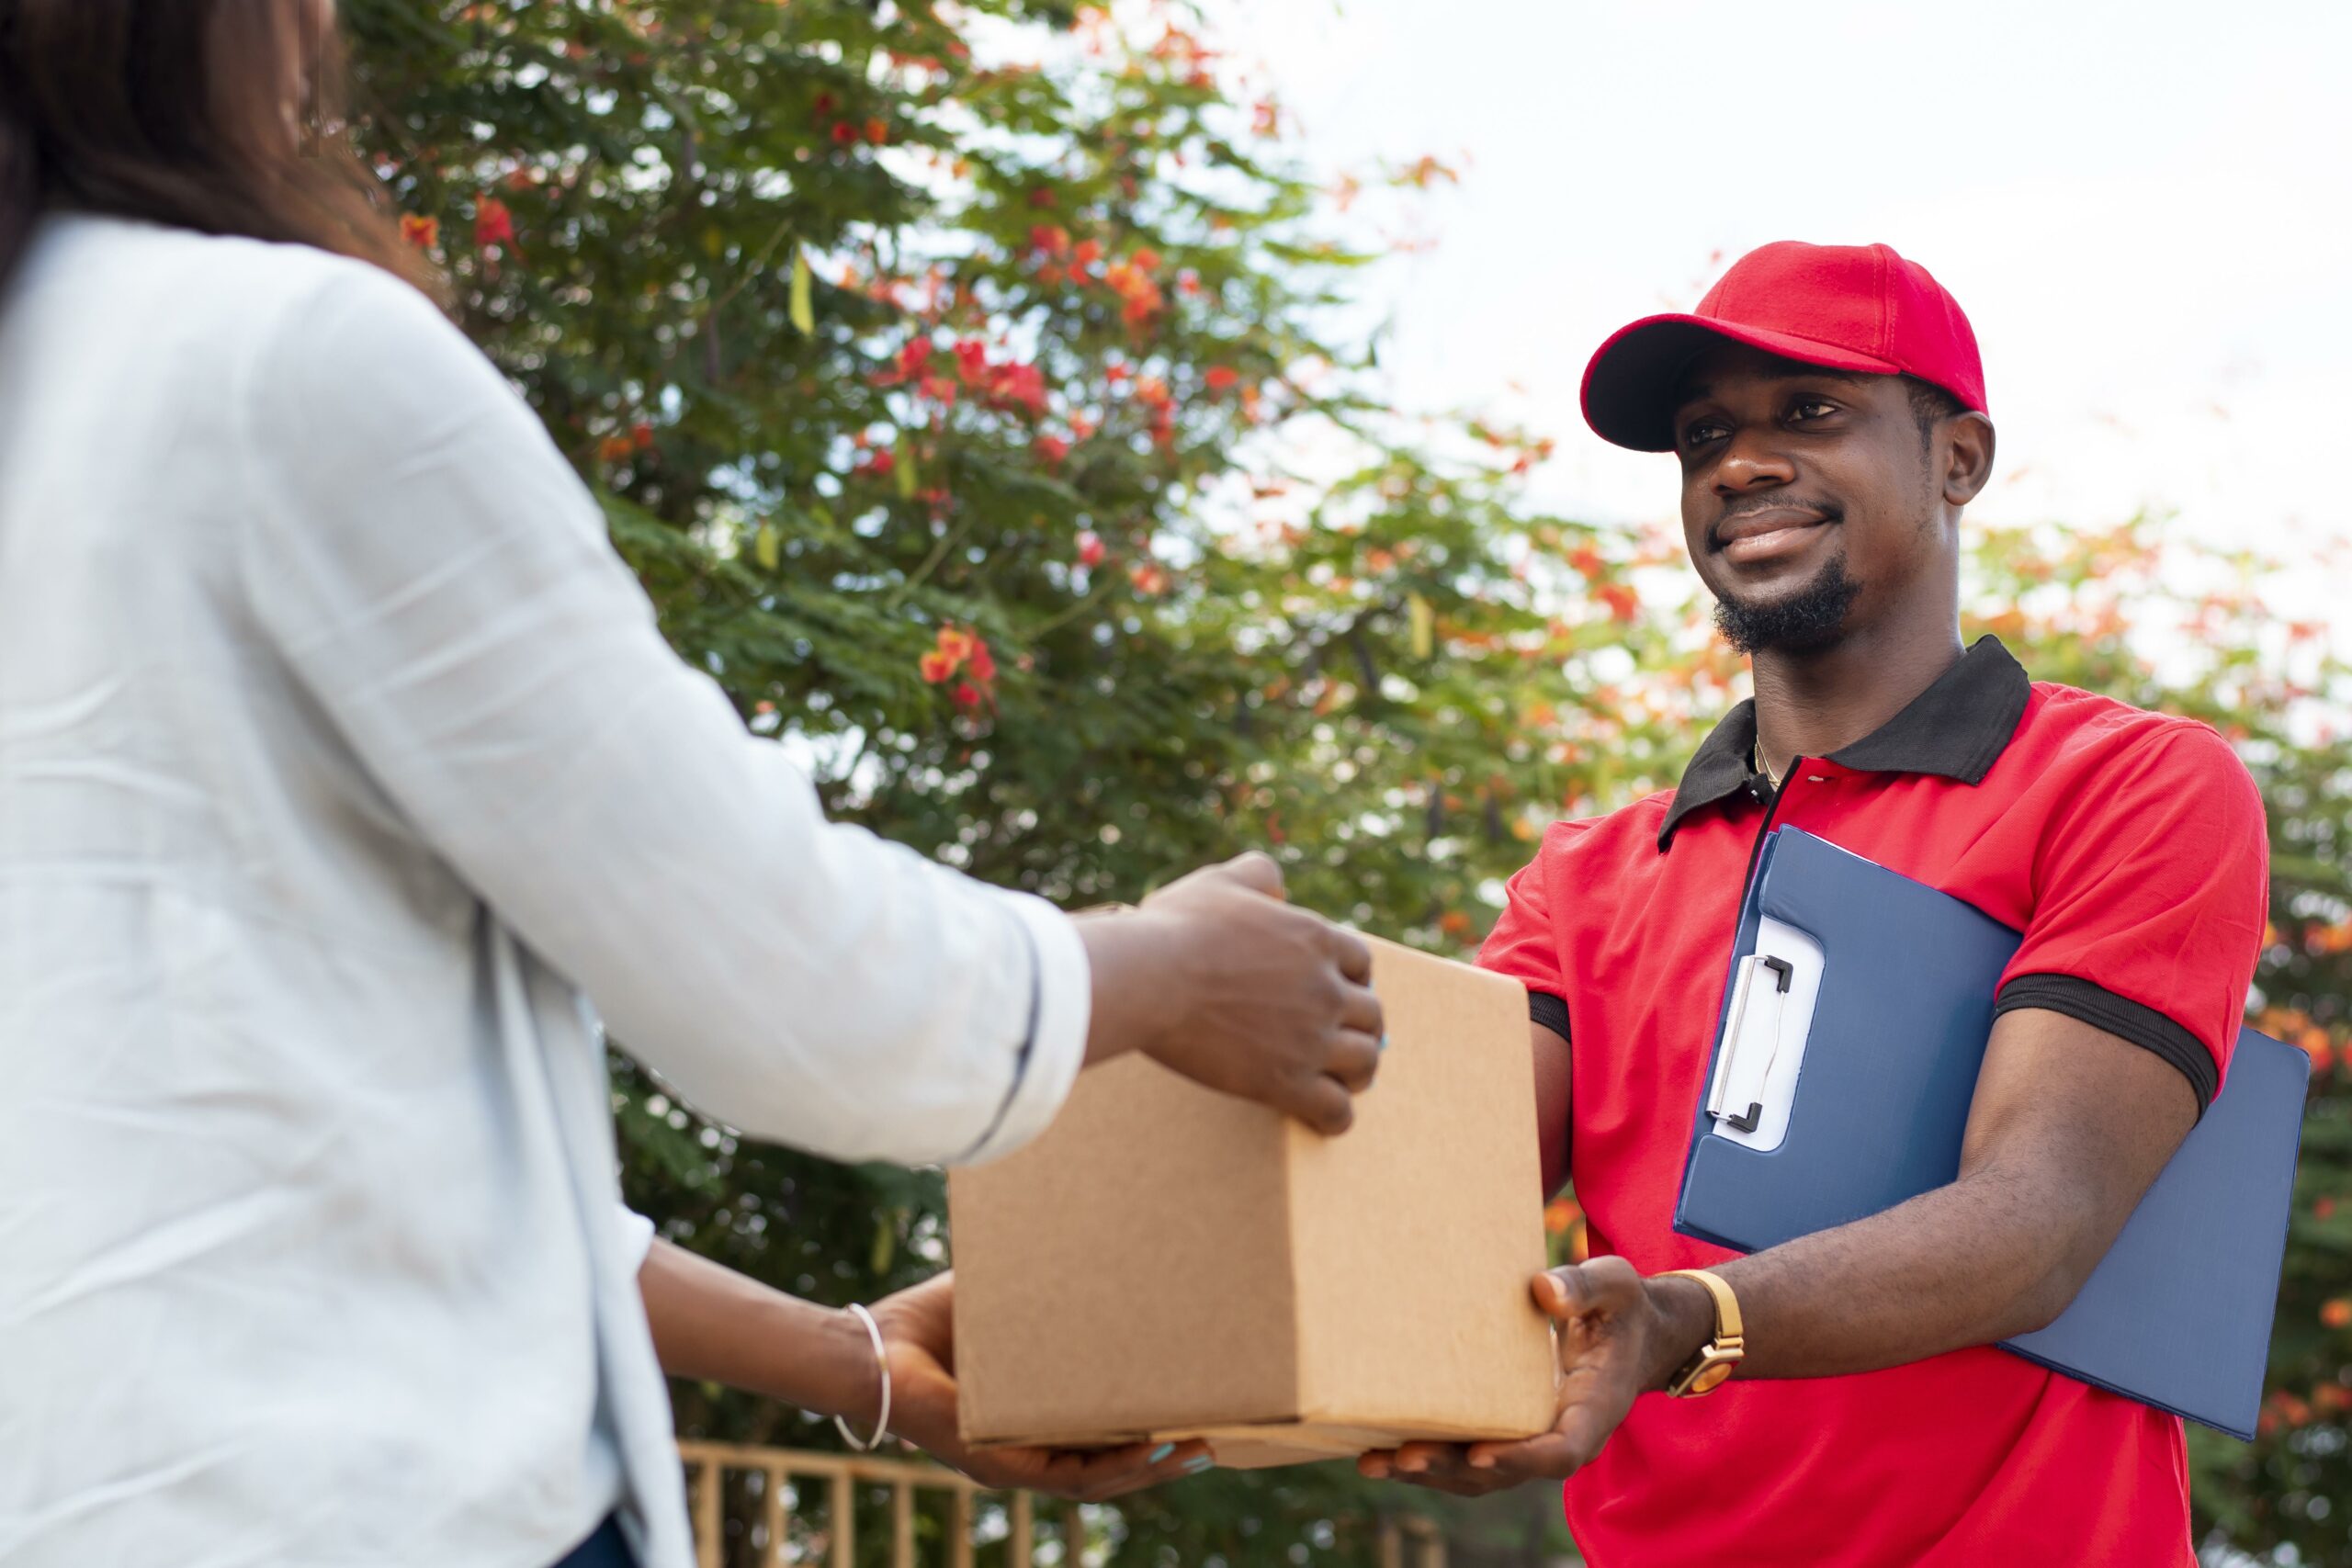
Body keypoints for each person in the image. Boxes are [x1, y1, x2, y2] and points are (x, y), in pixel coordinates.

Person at [0, 6, 1383, 1567]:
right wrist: (1171, 970)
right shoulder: (275, 357)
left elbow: (289, 1143)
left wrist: (855, 1362)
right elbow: (793, 980)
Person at [1359, 242, 2268, 1566]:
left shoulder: (2127, 786)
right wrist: (1061, 1320)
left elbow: (2040, 1217)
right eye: (1704, 435)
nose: (1739, 464)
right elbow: (1416, 1201)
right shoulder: (1588, 880)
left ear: (1957, 460)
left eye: (1811, 414)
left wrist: (1688, 1321)